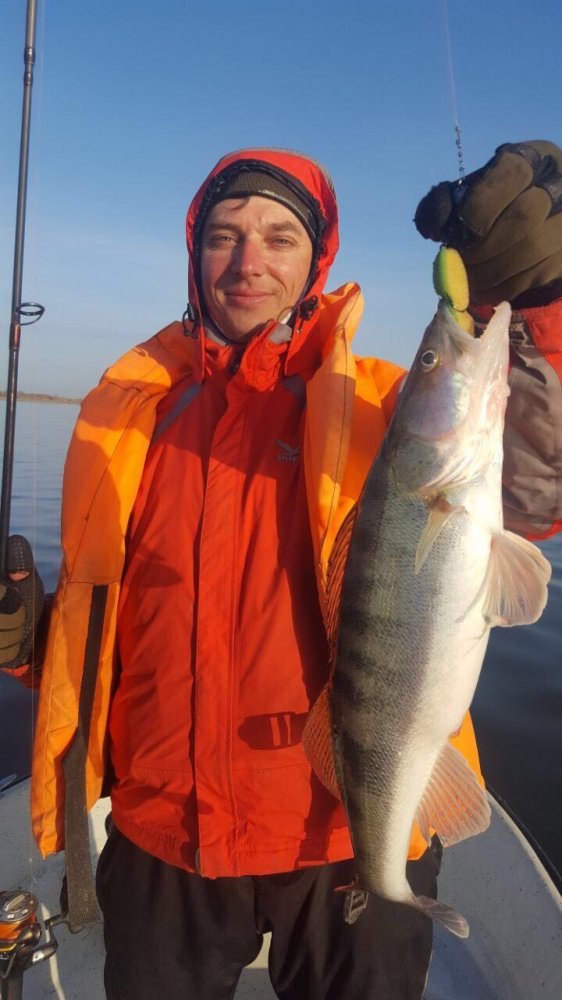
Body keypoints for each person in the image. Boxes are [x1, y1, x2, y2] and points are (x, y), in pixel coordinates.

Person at [1, 142, 562, 1000]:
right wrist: (28, 644)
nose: (247, 261)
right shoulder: (126, 416)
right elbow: (111, 628)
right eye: (223, 235)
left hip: (342, 834)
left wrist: (541, 304)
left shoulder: (380, 403)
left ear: (317, 259)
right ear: (195, 254)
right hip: (163, 838)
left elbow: (534, 482)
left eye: (279, 236)